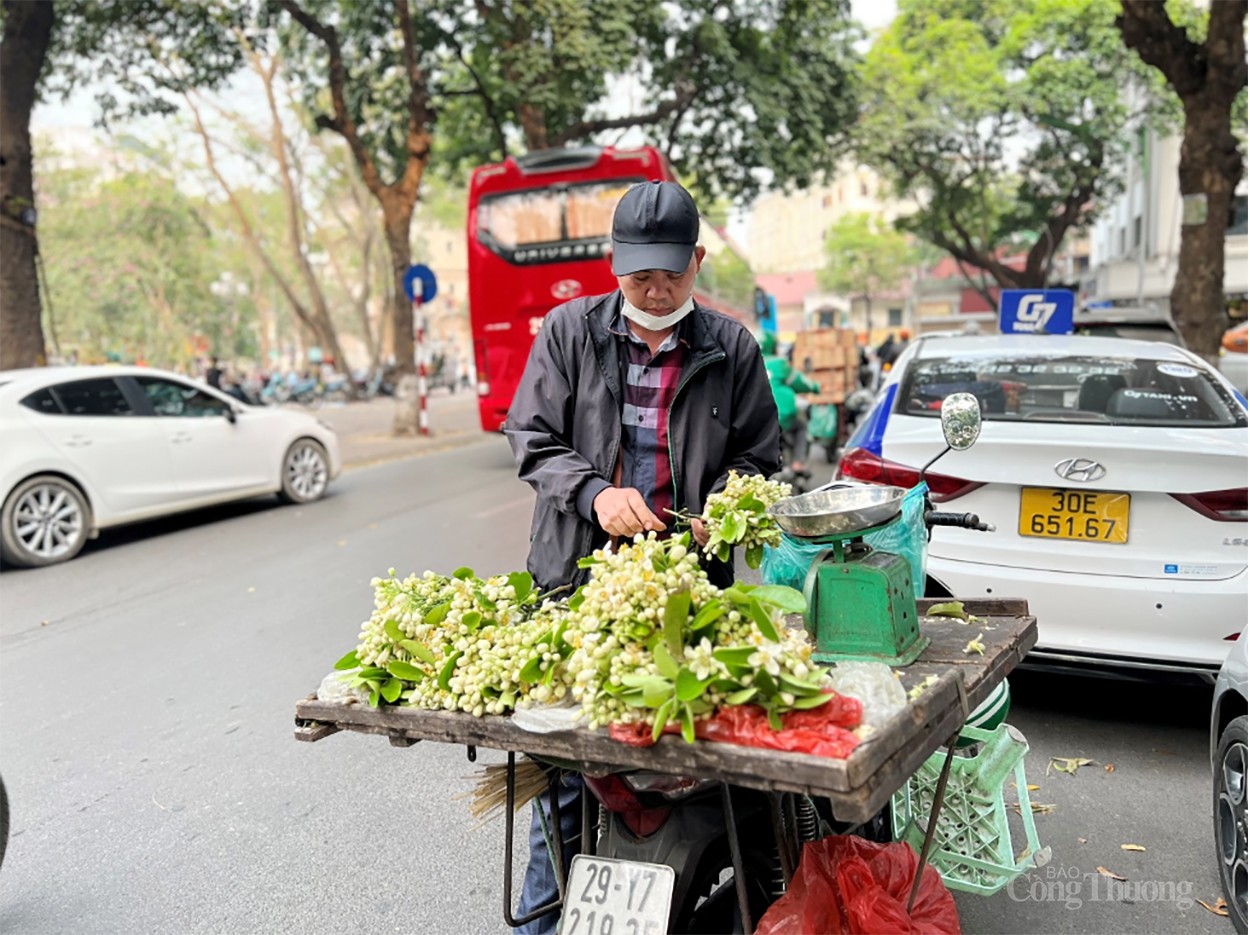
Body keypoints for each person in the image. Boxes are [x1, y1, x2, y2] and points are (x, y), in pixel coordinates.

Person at [504, 180, 780, 935]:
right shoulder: (568, 332)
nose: (656, 290)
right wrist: (593, 494)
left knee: (695, 763)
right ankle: (540, 923)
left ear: (696, 260)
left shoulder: (732, 349)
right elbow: (530, 439)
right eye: (639, 275)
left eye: (672, 273)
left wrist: (722, 503)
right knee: (566, 773)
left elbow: (759, 457)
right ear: (614, 264)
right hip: (576, 586)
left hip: (687, 598)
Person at [759, 331, 820, 479]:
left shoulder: (745, 364)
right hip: (783, 415)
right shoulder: (779, 364)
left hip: (758, 421)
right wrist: (815, 387)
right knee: (801, 427)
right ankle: (798, 462)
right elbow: (800, 382)